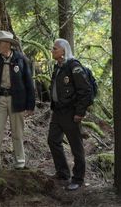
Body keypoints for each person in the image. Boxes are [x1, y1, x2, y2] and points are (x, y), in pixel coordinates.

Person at [0, 30, 35, 176]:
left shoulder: (21, 60)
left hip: (17, 100)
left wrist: (30, 105)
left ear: (7, 44)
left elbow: (29, 83)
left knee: (18, 133)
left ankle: (20, 163)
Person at [48, 38, 92, 191]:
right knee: (53, 140)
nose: (52, 51)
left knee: (76, 147)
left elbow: (85, 91)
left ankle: (78, 179)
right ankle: (63, 173)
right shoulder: (58, 67)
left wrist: (79, 113)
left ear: (63, 51)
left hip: (71, 112)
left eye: (55, 48)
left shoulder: (74, 66)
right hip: (58, 112)